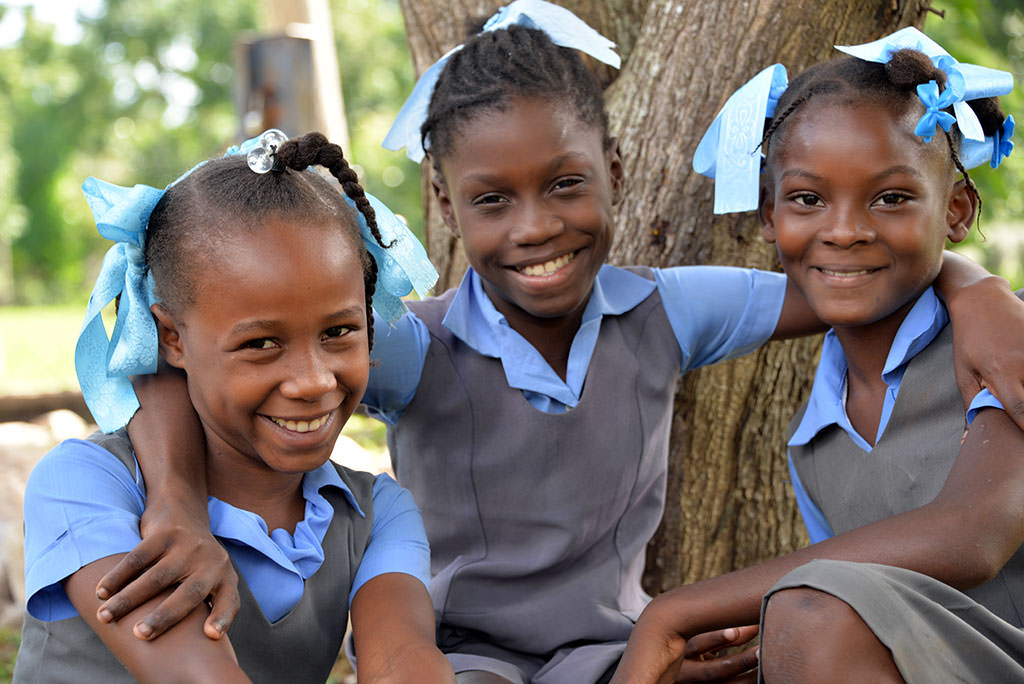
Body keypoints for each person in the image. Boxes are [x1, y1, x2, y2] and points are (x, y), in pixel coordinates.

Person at [87, 5, 1024, 684]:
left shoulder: (670, 311)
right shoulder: (414, 346)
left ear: (614, 173)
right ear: (449, 208)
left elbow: (848, 275)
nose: (537, 228)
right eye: (494, 200)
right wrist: (170, 493)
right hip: (459, 658)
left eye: (567, 184)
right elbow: (188, 346)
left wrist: (974, 287)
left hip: (614, 652)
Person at [610, 27, 1023, 684]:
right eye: (808, 199)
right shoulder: (815, 445)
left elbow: (974, 534)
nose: (844, 230)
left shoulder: (1004, 343)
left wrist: (674, 612)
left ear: (957, 211)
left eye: (891, 197)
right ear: (770, 216)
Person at [13, 130, 455, 684]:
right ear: (171, 338)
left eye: (340, 331)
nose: (313, 381)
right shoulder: (87, 483)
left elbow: (403, 659)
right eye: (261, 343)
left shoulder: (377, 514)